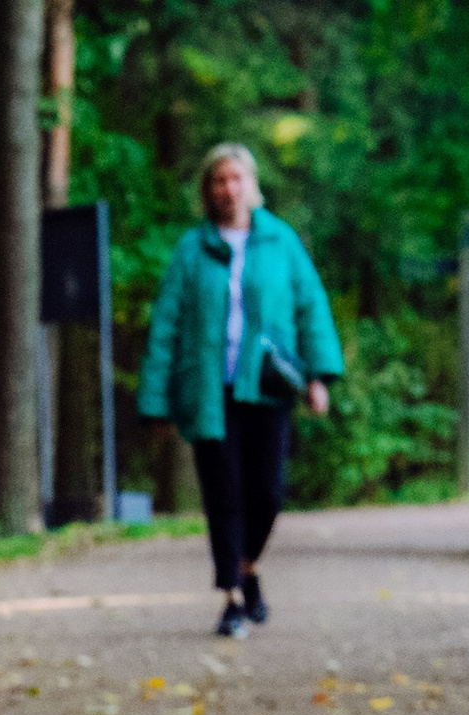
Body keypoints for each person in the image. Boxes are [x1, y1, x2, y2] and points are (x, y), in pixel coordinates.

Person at [138, 143, 343, 639]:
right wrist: (156, 401)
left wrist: (318, 376)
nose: (228, 189)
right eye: (218, 181)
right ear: (207, 191)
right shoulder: (192, 250)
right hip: (210, 390)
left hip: (267, 388)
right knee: (223, 493)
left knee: (267, 493)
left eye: (235, 179)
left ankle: (247, 566)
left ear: (251, 185)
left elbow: (310, 308)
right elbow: (166, 326)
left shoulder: (281, 242)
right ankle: (231, 596)